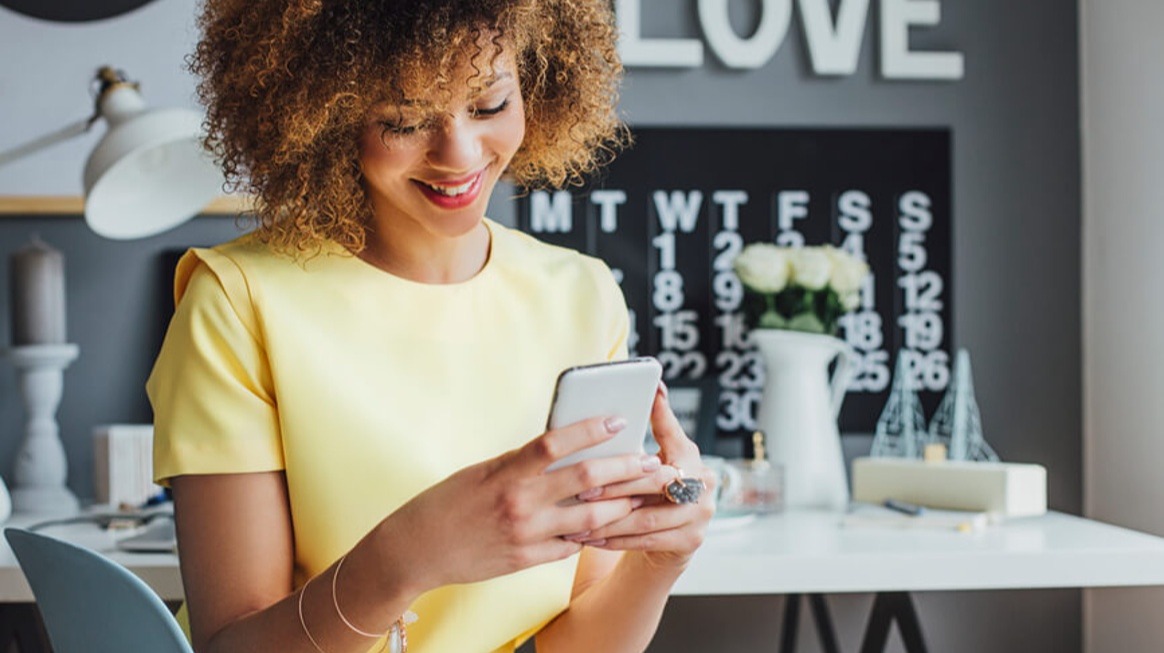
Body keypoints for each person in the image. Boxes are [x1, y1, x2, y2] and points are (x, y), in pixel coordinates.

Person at [147, 1, 715, 652]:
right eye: (405, 119)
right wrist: (408, 557)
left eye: (490, 105)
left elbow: (576, 645)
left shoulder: (580, 294)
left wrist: (661, 560)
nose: (460, 154)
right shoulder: (239, 302)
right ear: (331, 114)